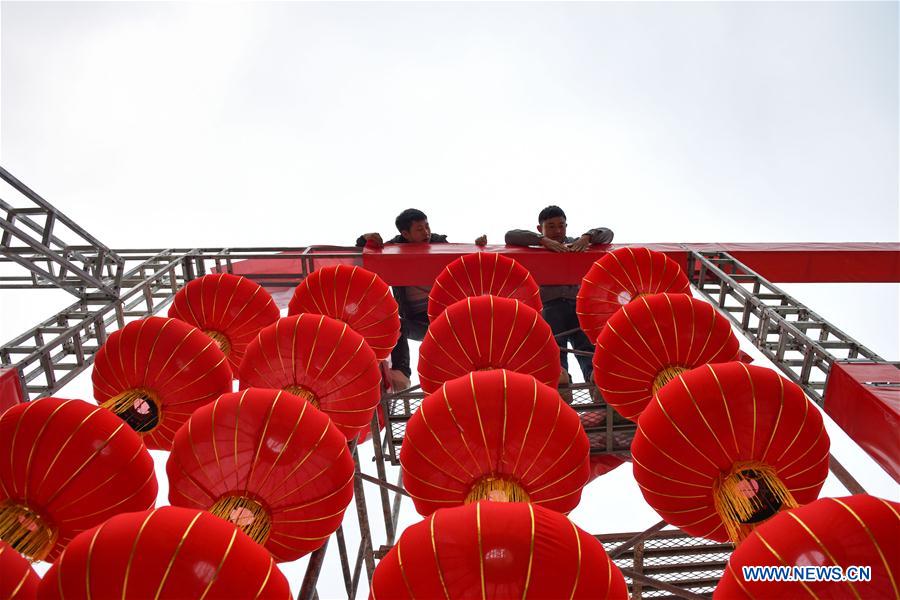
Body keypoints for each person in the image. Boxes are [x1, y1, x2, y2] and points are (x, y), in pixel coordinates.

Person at [357, 208, 486, 391]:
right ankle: (402, 374)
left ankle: (475, 377)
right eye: (419, 229)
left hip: (447, 316)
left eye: (427, 226)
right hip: (418, 321)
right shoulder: (393, 248)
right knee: (396, 325)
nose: (426, 232)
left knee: (472, 329)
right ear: (405, 234)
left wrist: (478, 246)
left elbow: (464, 260)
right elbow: (363, 252)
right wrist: (365, 238)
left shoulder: (440, 244)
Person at [505, 205, 613, 385]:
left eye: (561, 225)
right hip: (550, 305)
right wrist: (543, 241)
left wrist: (588, 237)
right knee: (555, 347)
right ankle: (561, 381)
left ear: (567, 226)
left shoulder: (578, 243)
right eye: (551, 226)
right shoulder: (535, 245)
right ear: (540, 229)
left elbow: (608, 233)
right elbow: (510, 235)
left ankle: (596, 382)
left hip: (580, 305)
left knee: (588, 346)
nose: (557, 230)